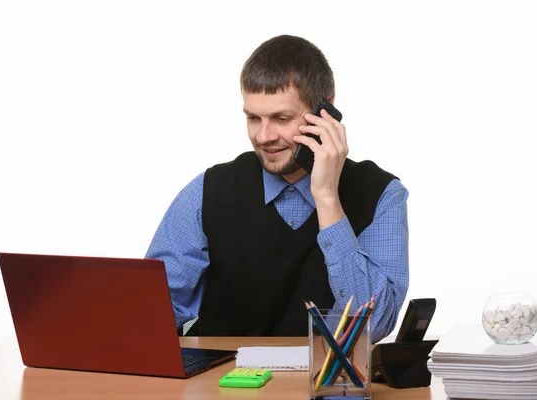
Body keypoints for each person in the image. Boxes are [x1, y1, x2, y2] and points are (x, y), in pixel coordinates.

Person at [145, 35, 409, 343]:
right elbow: (149, 312)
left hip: (325, 387)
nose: (263, 136)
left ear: (325, 111)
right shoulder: (207, 191)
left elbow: (372, 326)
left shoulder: (382, 194)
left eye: (281, 118)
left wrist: (326, 198)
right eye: (253, 118)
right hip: (226, 387)